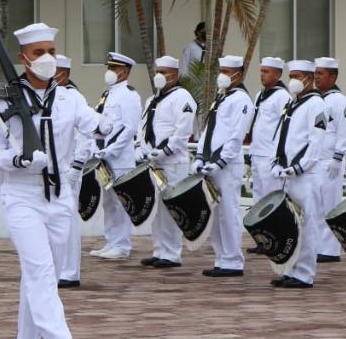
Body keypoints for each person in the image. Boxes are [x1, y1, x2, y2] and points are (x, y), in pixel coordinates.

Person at [0, 23, 106, 339]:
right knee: (38, 272)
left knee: (39, 282)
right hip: (21, 196)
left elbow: (93, 125)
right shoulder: (1, 100)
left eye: (51, 50)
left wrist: (112, 125)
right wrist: (17, 159)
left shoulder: (68, 99)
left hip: (58, 198)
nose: (47, 58)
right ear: (22, 59)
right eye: (38, 53)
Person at [268, 60, 329, 288]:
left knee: (307, 223)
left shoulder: (316, 104)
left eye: (299, 75)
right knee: (291, 223)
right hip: (287, 173)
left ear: (309, 78)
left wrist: (301, 166)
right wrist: (278, 161)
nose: (293, 79)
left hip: (306, 175)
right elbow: (281, 135)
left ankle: (304, 273)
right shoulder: (293, 103)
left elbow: (316, 141)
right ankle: (291, 269)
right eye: (291, 75)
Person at [195, 55, 255, 277]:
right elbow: (208, 130)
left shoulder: (242, 100)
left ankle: (233, 260)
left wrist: (220, 161)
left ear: (238, 74)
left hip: (227, 166)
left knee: (228, 212)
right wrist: (200, 156)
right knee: (216, 212)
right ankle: (221, 257)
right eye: (221, 70)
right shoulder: (221, 98)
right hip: (211, 163)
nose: (223, 75)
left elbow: (236, 136)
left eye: (227, 71)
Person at [135, 56, 196, 268]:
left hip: (172, 162)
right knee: (158, 210)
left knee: (171, 208)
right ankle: (160, 249)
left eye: (165, 72)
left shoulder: (182, 97)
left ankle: (172, 254)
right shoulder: (153, 99)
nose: (160, 75)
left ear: (175, 75)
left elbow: (183, 130)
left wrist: (166, 150)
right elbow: (143, 125)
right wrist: (140, 148)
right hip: (154, 163)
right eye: (157, 71)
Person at [88, 52, 143, 261]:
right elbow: (99, 124)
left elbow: (128, 129)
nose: (109, 72)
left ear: (124, 71)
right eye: (109, 67)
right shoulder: (108, 94)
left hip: (119, 158)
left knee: (120, 203)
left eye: (114, 68)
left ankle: (121, 245)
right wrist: (96, 148)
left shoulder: (129, 95)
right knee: (108, 203)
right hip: (104, 157)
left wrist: (110, 150)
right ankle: (112, 241)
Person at [312, 58, 346, 262]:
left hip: (330, 161)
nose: (316, 77)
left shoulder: (339, 100)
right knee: (317, 206)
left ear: (333, 76)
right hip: (316, 160)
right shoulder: (316, 99)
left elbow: (344, 132)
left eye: (321, 74)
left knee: (330, 205)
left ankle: (331, 249)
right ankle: (320, 245)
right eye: (315, 73)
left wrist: (338, 157)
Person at [55, 55, 87, 288]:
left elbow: (85, 135)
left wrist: (78, 166)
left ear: (64, 74)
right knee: (56, 220)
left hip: (69, 169)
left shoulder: (74, 97)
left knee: (68, 220)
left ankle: (70, 271)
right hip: (53, 169)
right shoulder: (53, 96)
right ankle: (59, 269)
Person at [248, 57, 290, 201]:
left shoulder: (282, 95)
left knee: (270, 199)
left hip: (269, 155)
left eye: (266, 71)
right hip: (256, 152)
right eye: (261, 71)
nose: (262, 74)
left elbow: (284, 127)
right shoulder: (260, 95)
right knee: (257, 198)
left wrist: (277, 157)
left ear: (277, 75)